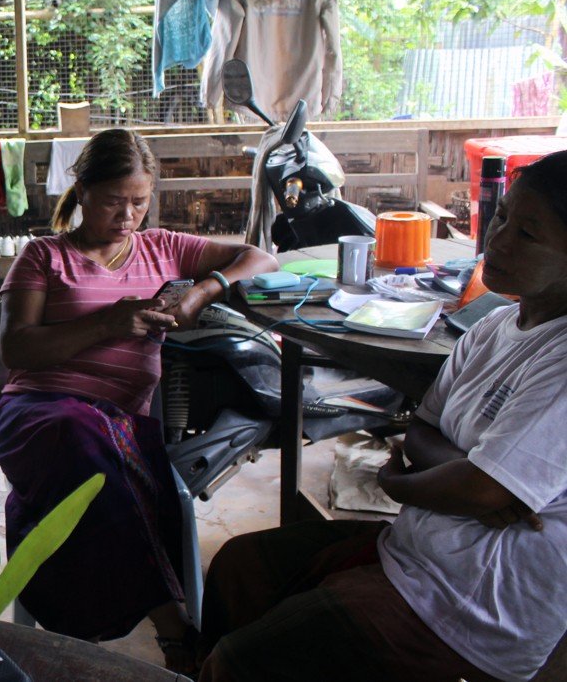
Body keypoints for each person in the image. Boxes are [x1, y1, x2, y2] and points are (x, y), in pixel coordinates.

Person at [196, 152, 567, 682]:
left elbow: (479, 489)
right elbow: (425, 428)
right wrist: (468, 474)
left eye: (529, 235)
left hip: (472, 605)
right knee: (240, 569)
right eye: (503, 217)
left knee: (239, 664)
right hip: (416, 550)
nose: (500, 240)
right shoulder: (495, 325)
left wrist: (400, 482)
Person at [0, 128, 278, 672]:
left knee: (102, 451)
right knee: (80, 434)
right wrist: (109, 321)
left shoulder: (165, 248)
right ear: (82, 192)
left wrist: (202, 290)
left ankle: (154, 623)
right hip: (39, 415)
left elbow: (261, 257)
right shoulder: (43, 257)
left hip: (121, 422)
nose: (128, 216)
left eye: (139, 202)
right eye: (112, 202)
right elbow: (18, 348)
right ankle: (174, 627)